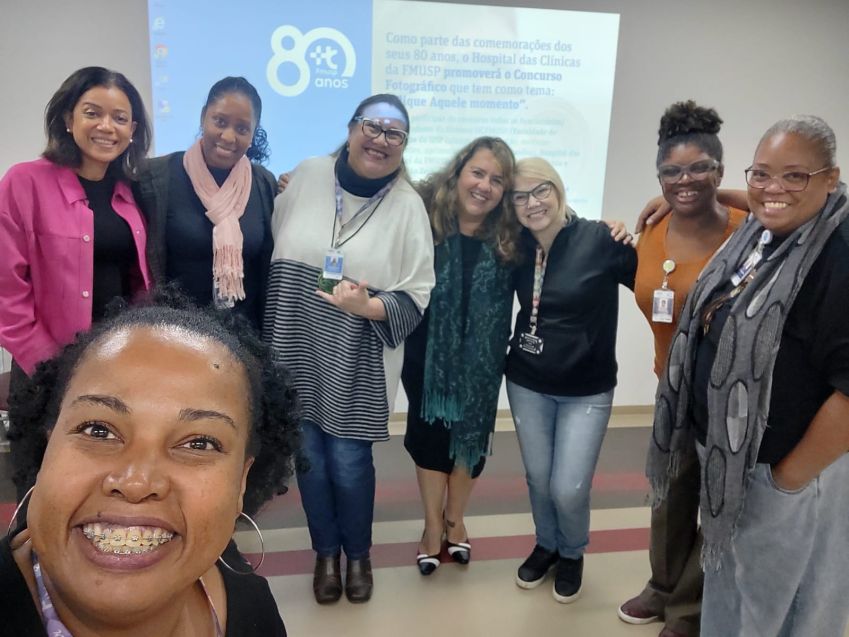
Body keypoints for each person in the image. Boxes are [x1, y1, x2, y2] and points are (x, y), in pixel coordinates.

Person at [648, 115, 849, 637]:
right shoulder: (765, 232)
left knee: (785, 605)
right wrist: (699, 195)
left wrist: (787, 482)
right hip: (736, 462)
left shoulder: (837, 254)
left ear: (831, 179)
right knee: (735, 588)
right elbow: (766, 200)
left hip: (784, 472)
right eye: (761, 173)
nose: (773, 188)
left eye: (795, 175)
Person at [0, 291, 298, 635]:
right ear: (47, 448)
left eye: (199, 443)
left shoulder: (253, 607)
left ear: (242, 480)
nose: (136, 482)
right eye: (98, 430)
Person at [265, 94, 435, 604]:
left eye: (394, 133)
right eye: (372, 126)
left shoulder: (408, 206)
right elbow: (276, 237)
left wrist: (369, 306)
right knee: (309, 459)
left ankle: (357, 555)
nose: (381, 140)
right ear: (351, 127)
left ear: (404, 146)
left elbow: (418, 293)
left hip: (356, 356)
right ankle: (325, 554)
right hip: (295, 341)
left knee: (348, 462)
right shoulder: (309, 174)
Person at [619, 101, 747, 637]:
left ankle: (689, 608)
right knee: (669, 494)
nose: (684, 180)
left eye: (700, 169)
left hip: (730, 397)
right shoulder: (652, 228)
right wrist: (674, 196)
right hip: (670, 389)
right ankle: (663, 584)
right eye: (671, 172)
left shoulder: (749, 230)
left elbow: (820, 205)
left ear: (721, 170)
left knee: (716, 502)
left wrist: (721, 194)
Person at [0, 66, 152, 500]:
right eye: (92, 113)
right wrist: (53, 366)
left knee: (102, 493)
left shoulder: (130, 191)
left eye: (120, 118)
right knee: (44, 494)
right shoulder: (24, 182)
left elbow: (135, 284)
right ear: (68, 118)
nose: (107, 126)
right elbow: (7, 291)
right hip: (45, 374)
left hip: (115, 372)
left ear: (133, 130)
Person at [506, 157, 637, 603]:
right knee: (539, 479)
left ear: (558, 188)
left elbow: (654, 281)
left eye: (540, 190)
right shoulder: (516, 247)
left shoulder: (600, 238)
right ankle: (547, 545)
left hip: (587, 390)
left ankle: (572, 551)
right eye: (520, 197)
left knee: (569, 487)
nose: (532, 203)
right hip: (527, 382)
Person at [401, 137, 520, 574]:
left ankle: (456, 519)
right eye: (478, 173)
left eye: (497, 180)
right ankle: (433, 526)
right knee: (431, 441)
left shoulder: (512, 235)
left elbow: (558, 220)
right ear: (458, 172)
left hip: (481, 366)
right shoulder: (423, 214)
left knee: (469, 443)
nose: (484, 186)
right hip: (426, 358)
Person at [135, 77, 277, 331]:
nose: (229, 136)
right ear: (203, 118)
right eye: (220, 122)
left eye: (242, 128)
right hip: (173, 334)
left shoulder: (264, 184)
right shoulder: (156, 177)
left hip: (242, 337)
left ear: (253, 133)